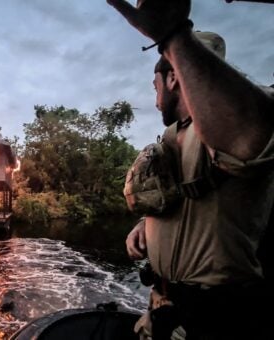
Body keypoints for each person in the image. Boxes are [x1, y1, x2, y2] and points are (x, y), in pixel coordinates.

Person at [107, 0, 274, 339]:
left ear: (172, 78)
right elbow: (187, 198)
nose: (154, 97)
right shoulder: (173, 134)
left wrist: (172, 37)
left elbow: (250, 137)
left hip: (217, 319)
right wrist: (147, 225)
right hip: (163, 309)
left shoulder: (236, 121)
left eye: (154, 85)